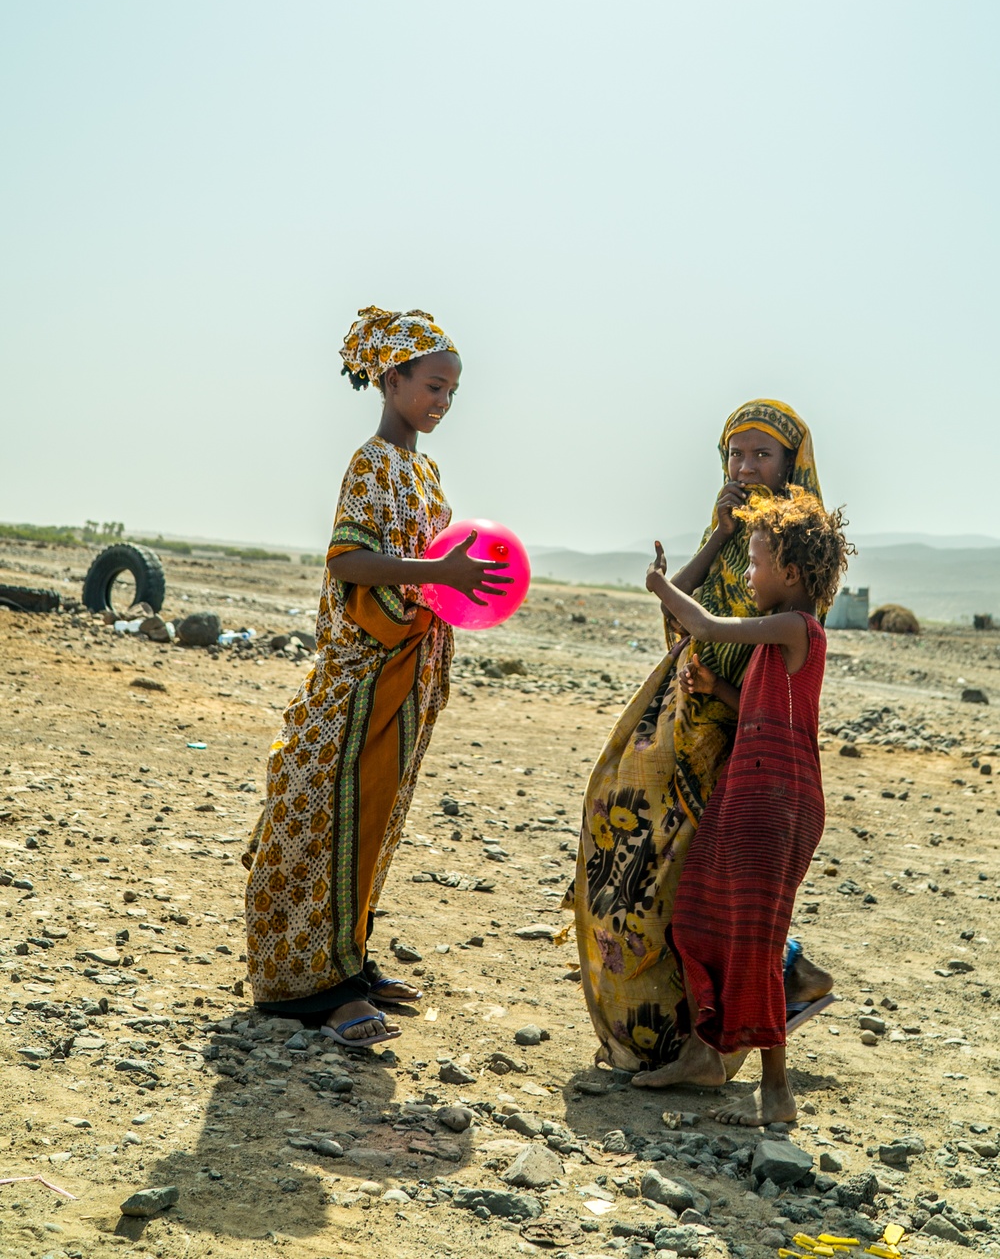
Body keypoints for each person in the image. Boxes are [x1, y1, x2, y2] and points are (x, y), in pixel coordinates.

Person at [242, 307, 510, 1048]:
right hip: (360, 677)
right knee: (328, 815)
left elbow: (443, 569)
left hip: (411, 672)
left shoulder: (423, 469)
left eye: (452, 392)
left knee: (377, 821)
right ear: (391, 381)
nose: (442, 403)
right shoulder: (371, 463)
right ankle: (305, 984)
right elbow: (349, 562)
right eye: (431, 386)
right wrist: (440, 571)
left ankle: (349, 962)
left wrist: (462, 584)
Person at [568, 399, 833, 1071]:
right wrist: (716, 535)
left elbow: (768, 678)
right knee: (638, 854)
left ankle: (711, 1032)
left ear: (791, 466)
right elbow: (683, 604)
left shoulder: (794, 561)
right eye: (735, 454)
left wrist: (717, 689)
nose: (745, 467)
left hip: (736, 745)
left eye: (761, 455)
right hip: (681, 721)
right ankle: (681, 1028)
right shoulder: (745, 548)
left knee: (697, 886)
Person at [632, 490, 852, 1124]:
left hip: (776, 800)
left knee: (755, 940)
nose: (749, 576)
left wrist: (658, 586)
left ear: (791, 573)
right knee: (697, 918)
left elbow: (703, 626)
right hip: (753, 791)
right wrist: (716, 688)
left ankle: (776, 1094)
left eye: (755, 565)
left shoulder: (796, 627)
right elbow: (758, 709)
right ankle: (705, 1054)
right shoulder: (777, 640)